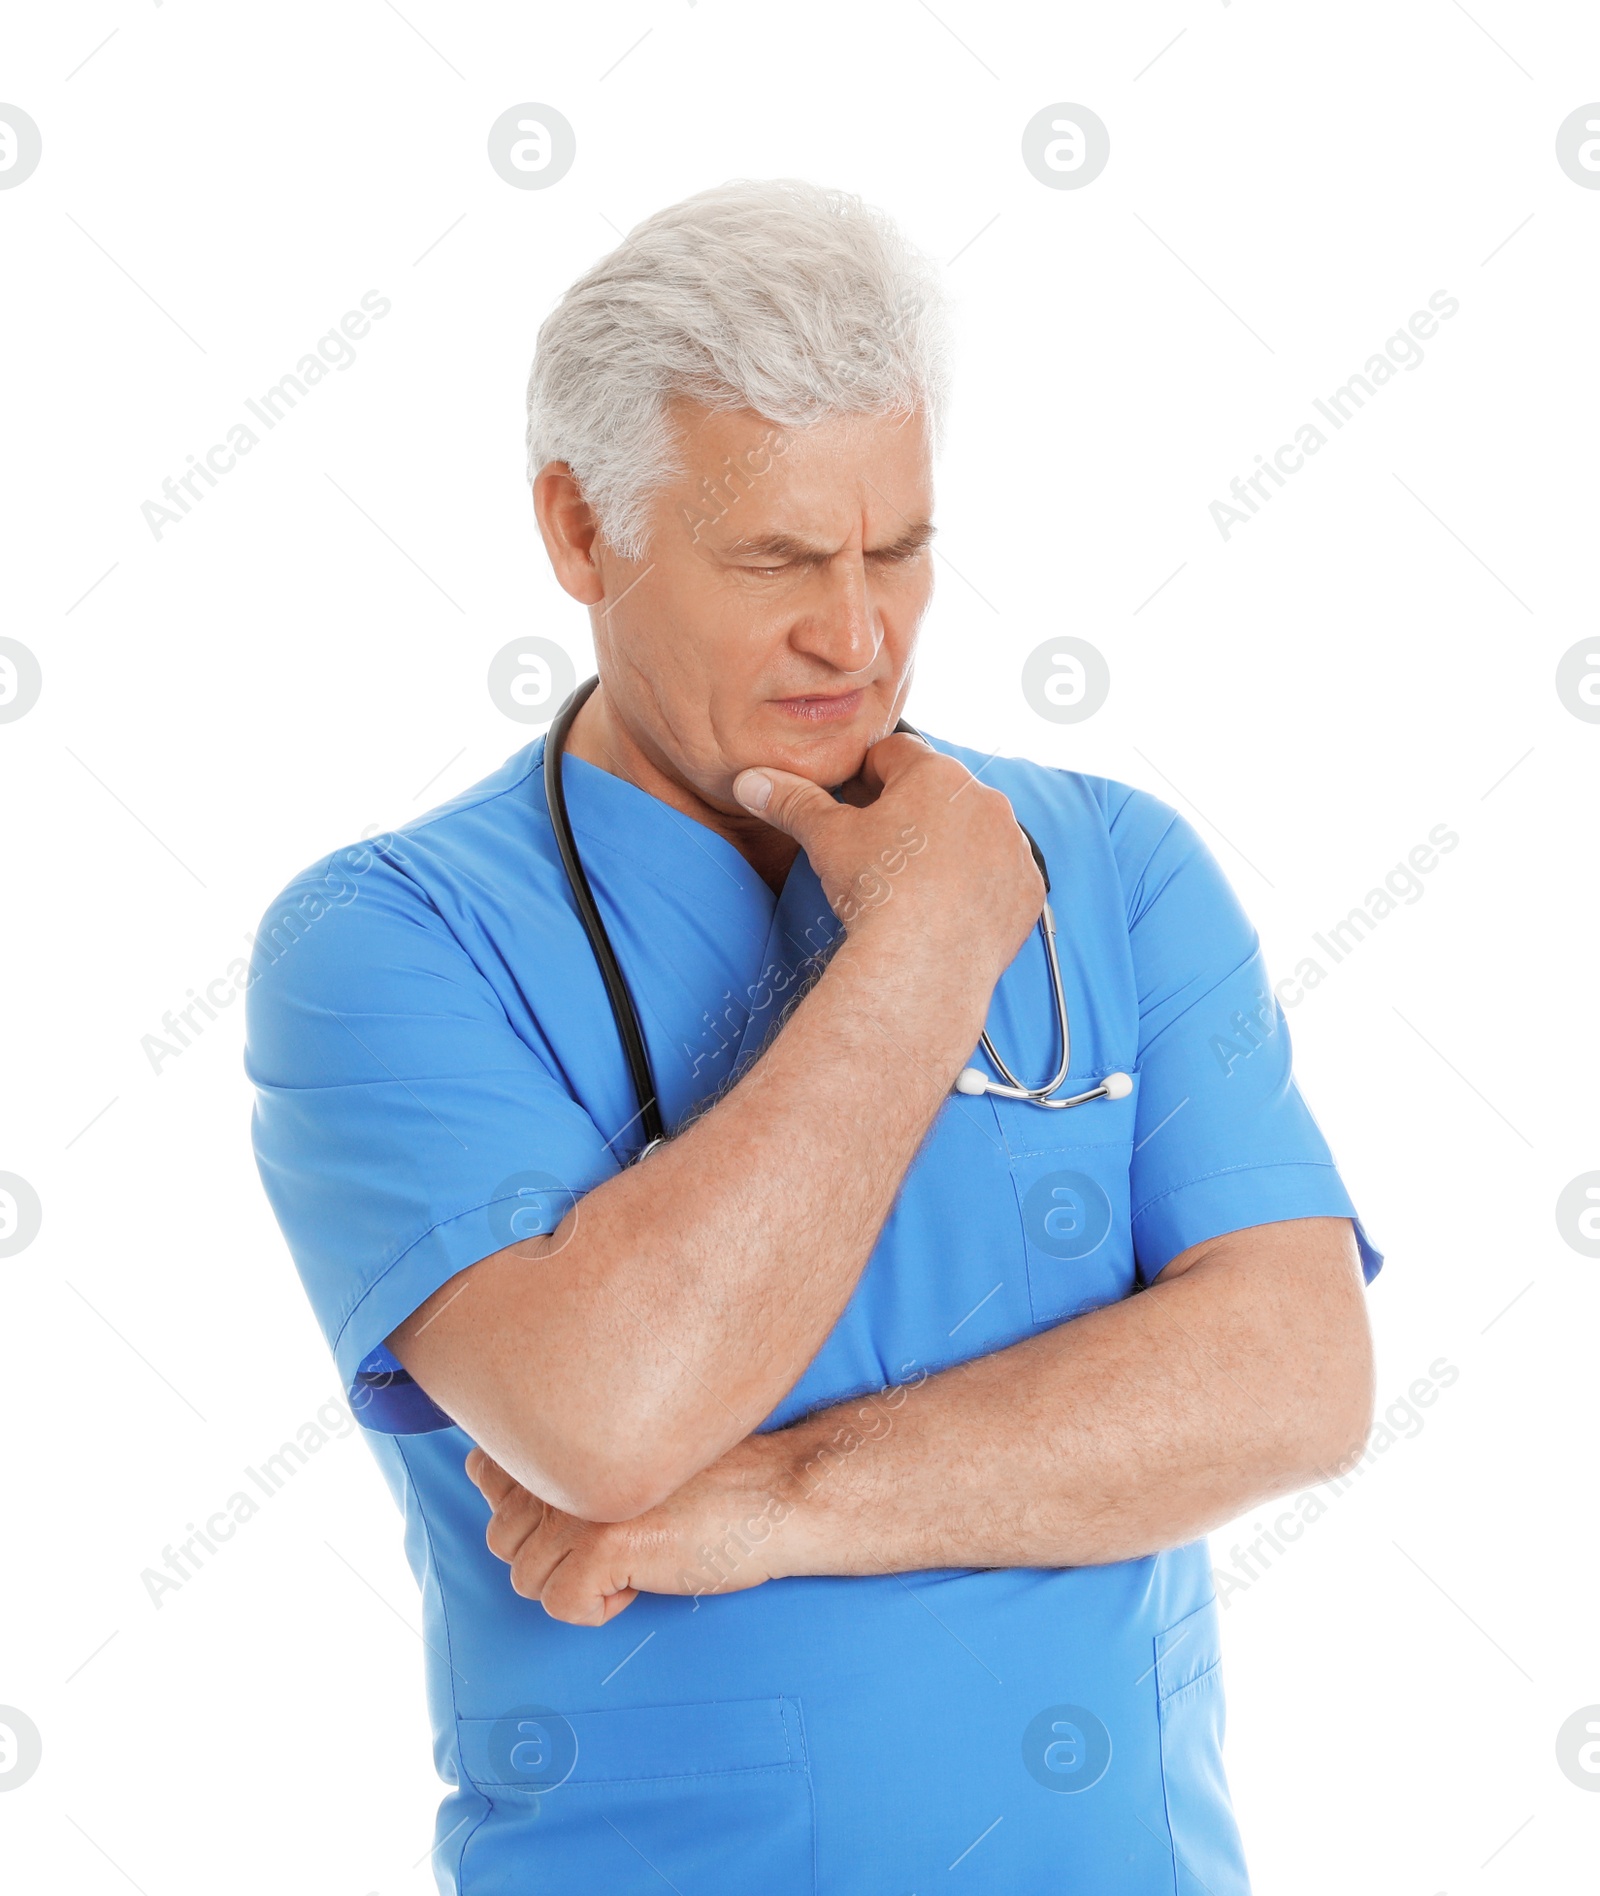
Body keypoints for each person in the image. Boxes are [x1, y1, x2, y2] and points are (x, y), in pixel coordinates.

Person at [246, 178, 1380, 1895]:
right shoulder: (387, 944)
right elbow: (607, 1420)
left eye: (898, 550)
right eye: (776, 559)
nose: (857, 638)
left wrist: (766, 1503)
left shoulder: (1112, 866)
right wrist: (926, 946)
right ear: (578, 529)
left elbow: (1296, 1377)